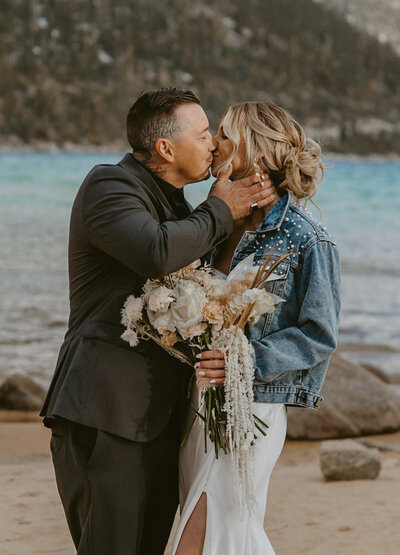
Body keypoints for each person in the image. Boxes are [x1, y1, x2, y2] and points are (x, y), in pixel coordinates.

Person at [39, 88, 277, 555]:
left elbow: (203, 283)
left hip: (157, 420)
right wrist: (223, 209)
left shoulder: (180, 210)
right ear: (165, 149)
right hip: (103, 412)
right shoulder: (108, 186)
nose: (213, 144)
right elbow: (155, 251)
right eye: (205, 132)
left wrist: (235, 230)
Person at [172, 101, 341, 555]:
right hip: (198, 403)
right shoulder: (210, 222)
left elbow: (318, 335)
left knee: (207, 528)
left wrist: (246, 359)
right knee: (231, 534)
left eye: (225, 134)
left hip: (254, 408)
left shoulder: (308, 239)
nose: (213, 143)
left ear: (256, 148)